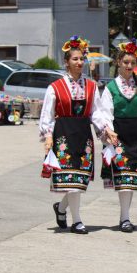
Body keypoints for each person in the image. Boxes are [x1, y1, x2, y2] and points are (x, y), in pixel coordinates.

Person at [40, 36, 104, 234]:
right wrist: (48, 136)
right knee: (71, 181)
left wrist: (106, 129)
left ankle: (60, 209)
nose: (79, 62)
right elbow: (47, 115)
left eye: (81, 59)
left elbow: (97, 112)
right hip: (63, 135)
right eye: (75, 59)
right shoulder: (55, 87)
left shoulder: (92, 86)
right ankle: (77, 221)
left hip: (83, 135)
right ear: (66, 62)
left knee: (78, 181)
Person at [97, 38, 137, 232]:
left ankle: (125, 216)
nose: (129, 66)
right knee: (122, 178)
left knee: (131, 179)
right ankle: (125, 218)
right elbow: (106, 112)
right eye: (125, 62)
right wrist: (108, 130)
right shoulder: (111, 88)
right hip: (118, 135)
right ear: (118, 63)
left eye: (132, 63)